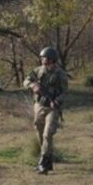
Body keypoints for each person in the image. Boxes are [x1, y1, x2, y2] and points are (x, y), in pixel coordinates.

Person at [24, 47, 68, 175]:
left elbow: (65, 92)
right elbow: (26, 80)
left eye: (44, 57)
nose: (42, 59)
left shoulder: (60, 74)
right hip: (39, 105)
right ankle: (48, 160)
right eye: (41, 57)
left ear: (51, 59)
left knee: (47, 134)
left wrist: (57, 101)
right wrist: (33, 86)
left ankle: (43, 163)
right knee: (39, 130)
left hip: (53, 108)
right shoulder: (38, 71)